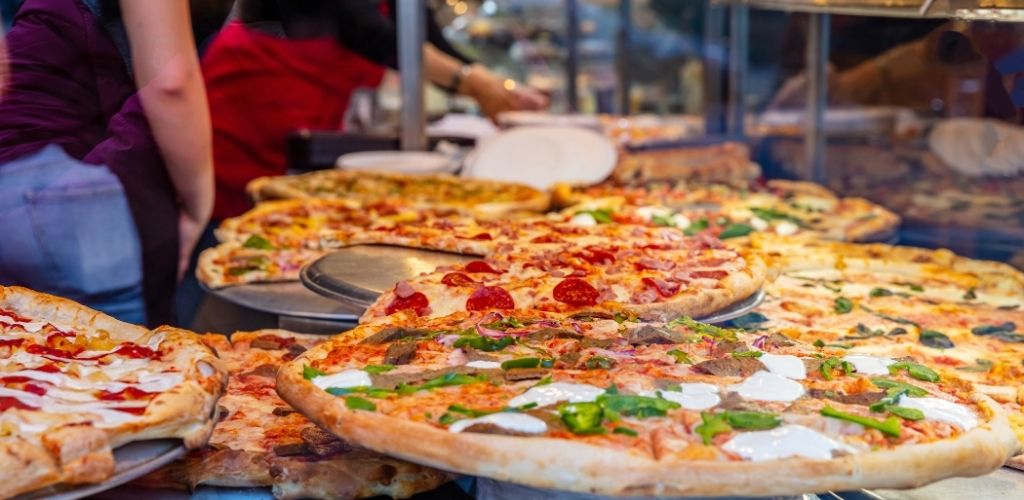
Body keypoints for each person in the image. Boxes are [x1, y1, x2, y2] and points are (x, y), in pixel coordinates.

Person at [175, 1, 548, 326]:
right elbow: (362, 26)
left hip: (316, 106)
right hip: (257, 93)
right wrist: (475, 83)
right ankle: (181, 337)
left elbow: (419, 31)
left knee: (303, 223)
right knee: (229, 235)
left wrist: (497, 88)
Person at [0, 0, 213, 326]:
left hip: (36, 191)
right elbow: (172, 83)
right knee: (126, 363)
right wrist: (199, 205)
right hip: (56, 207)